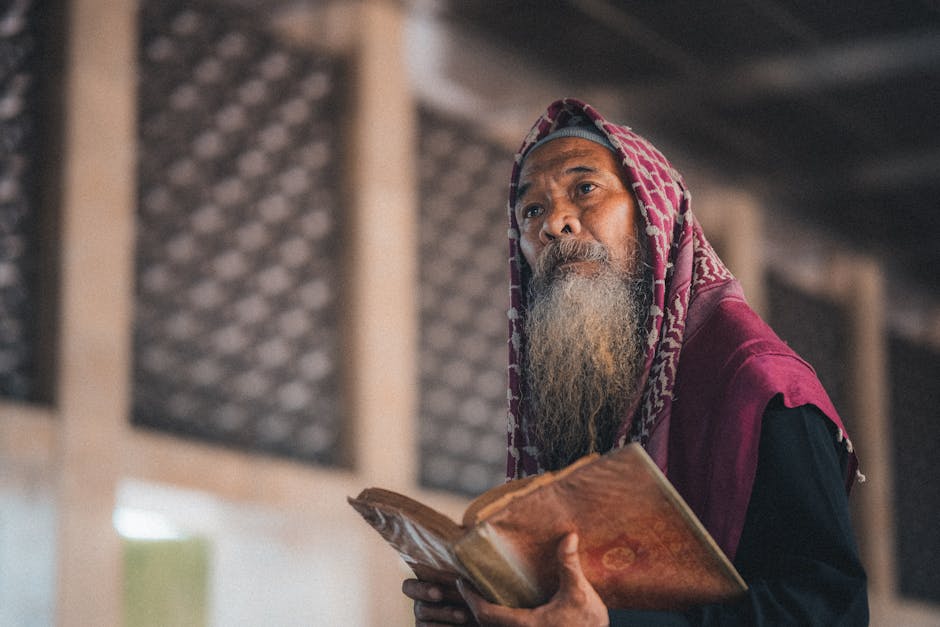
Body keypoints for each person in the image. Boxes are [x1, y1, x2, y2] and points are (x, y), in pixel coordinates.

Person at [403, 98, 868, 626]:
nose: (554, 222)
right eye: (531, 210)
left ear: (653, 213)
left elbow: (832, 613)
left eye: (584, 189)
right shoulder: (581, 392)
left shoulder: (759, 383)